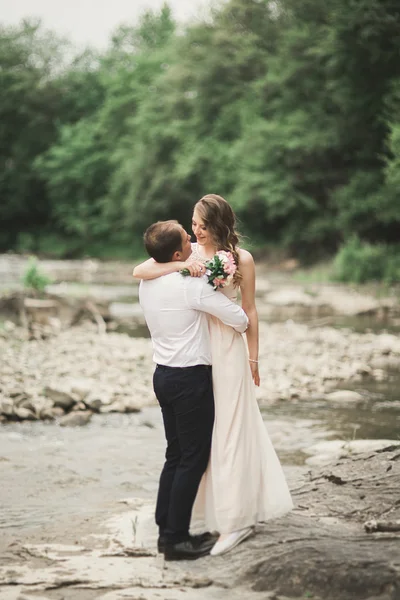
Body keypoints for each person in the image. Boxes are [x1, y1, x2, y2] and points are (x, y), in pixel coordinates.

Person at [134, 195, 293, 556]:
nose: (196, 231)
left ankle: (226, 519)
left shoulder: (241, 259)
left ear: (218, 225)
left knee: (227, 433)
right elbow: (141, 270)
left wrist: (254, 358)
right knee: (195, 449)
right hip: (198, 358)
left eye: (202, 225)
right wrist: (180, 269)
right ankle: (185, 527)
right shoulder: (185, 259)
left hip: (225, 352)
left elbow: (248, 310)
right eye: (193, 225)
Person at [138, 219, 249, 561]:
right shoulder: (190, 286)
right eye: (188, 239)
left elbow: (143, 268)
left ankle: (165, 530)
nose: (193, 241)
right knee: (192, 459)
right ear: (177, 252)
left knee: (175, 454)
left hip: (163, 376)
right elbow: (239, 320)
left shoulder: (149, 282)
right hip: (190, 380)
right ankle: (176, 540)